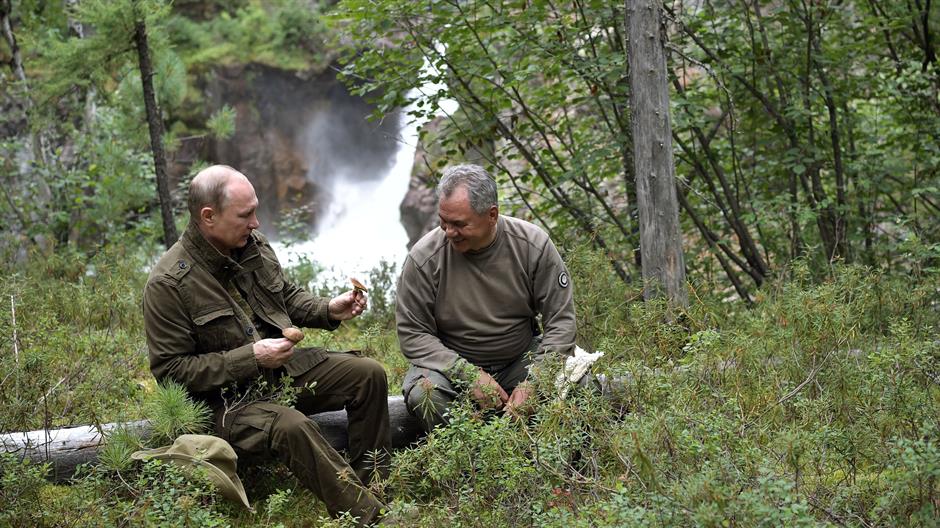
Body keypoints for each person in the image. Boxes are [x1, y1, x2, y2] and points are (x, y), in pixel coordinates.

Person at [142, 165, 389, 525]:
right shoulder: (168, 284)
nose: (256, 223)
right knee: (292, 426)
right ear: (208, 217)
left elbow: (282, 296)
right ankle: (368, 517)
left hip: (278, 375)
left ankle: (374, 486)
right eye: (245, 215)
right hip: (225, 404)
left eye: (255, 211)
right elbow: (171, 372)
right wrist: (253, 357)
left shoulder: (250, 244)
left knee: (368, 374)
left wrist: (327, 309)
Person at [396, 163, 577, 432]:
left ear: (492, 215)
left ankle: (532, 450)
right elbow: (412, 333)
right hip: (451, 368)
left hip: (519, 360)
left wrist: (536, 382)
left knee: (579, 384)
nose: (449, 232)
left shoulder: (533, 245)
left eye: (459, 224)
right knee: (425, 395)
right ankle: (470, 454)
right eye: (443, 221)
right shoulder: (423, 258)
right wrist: (467, 375)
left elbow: (561, 322)